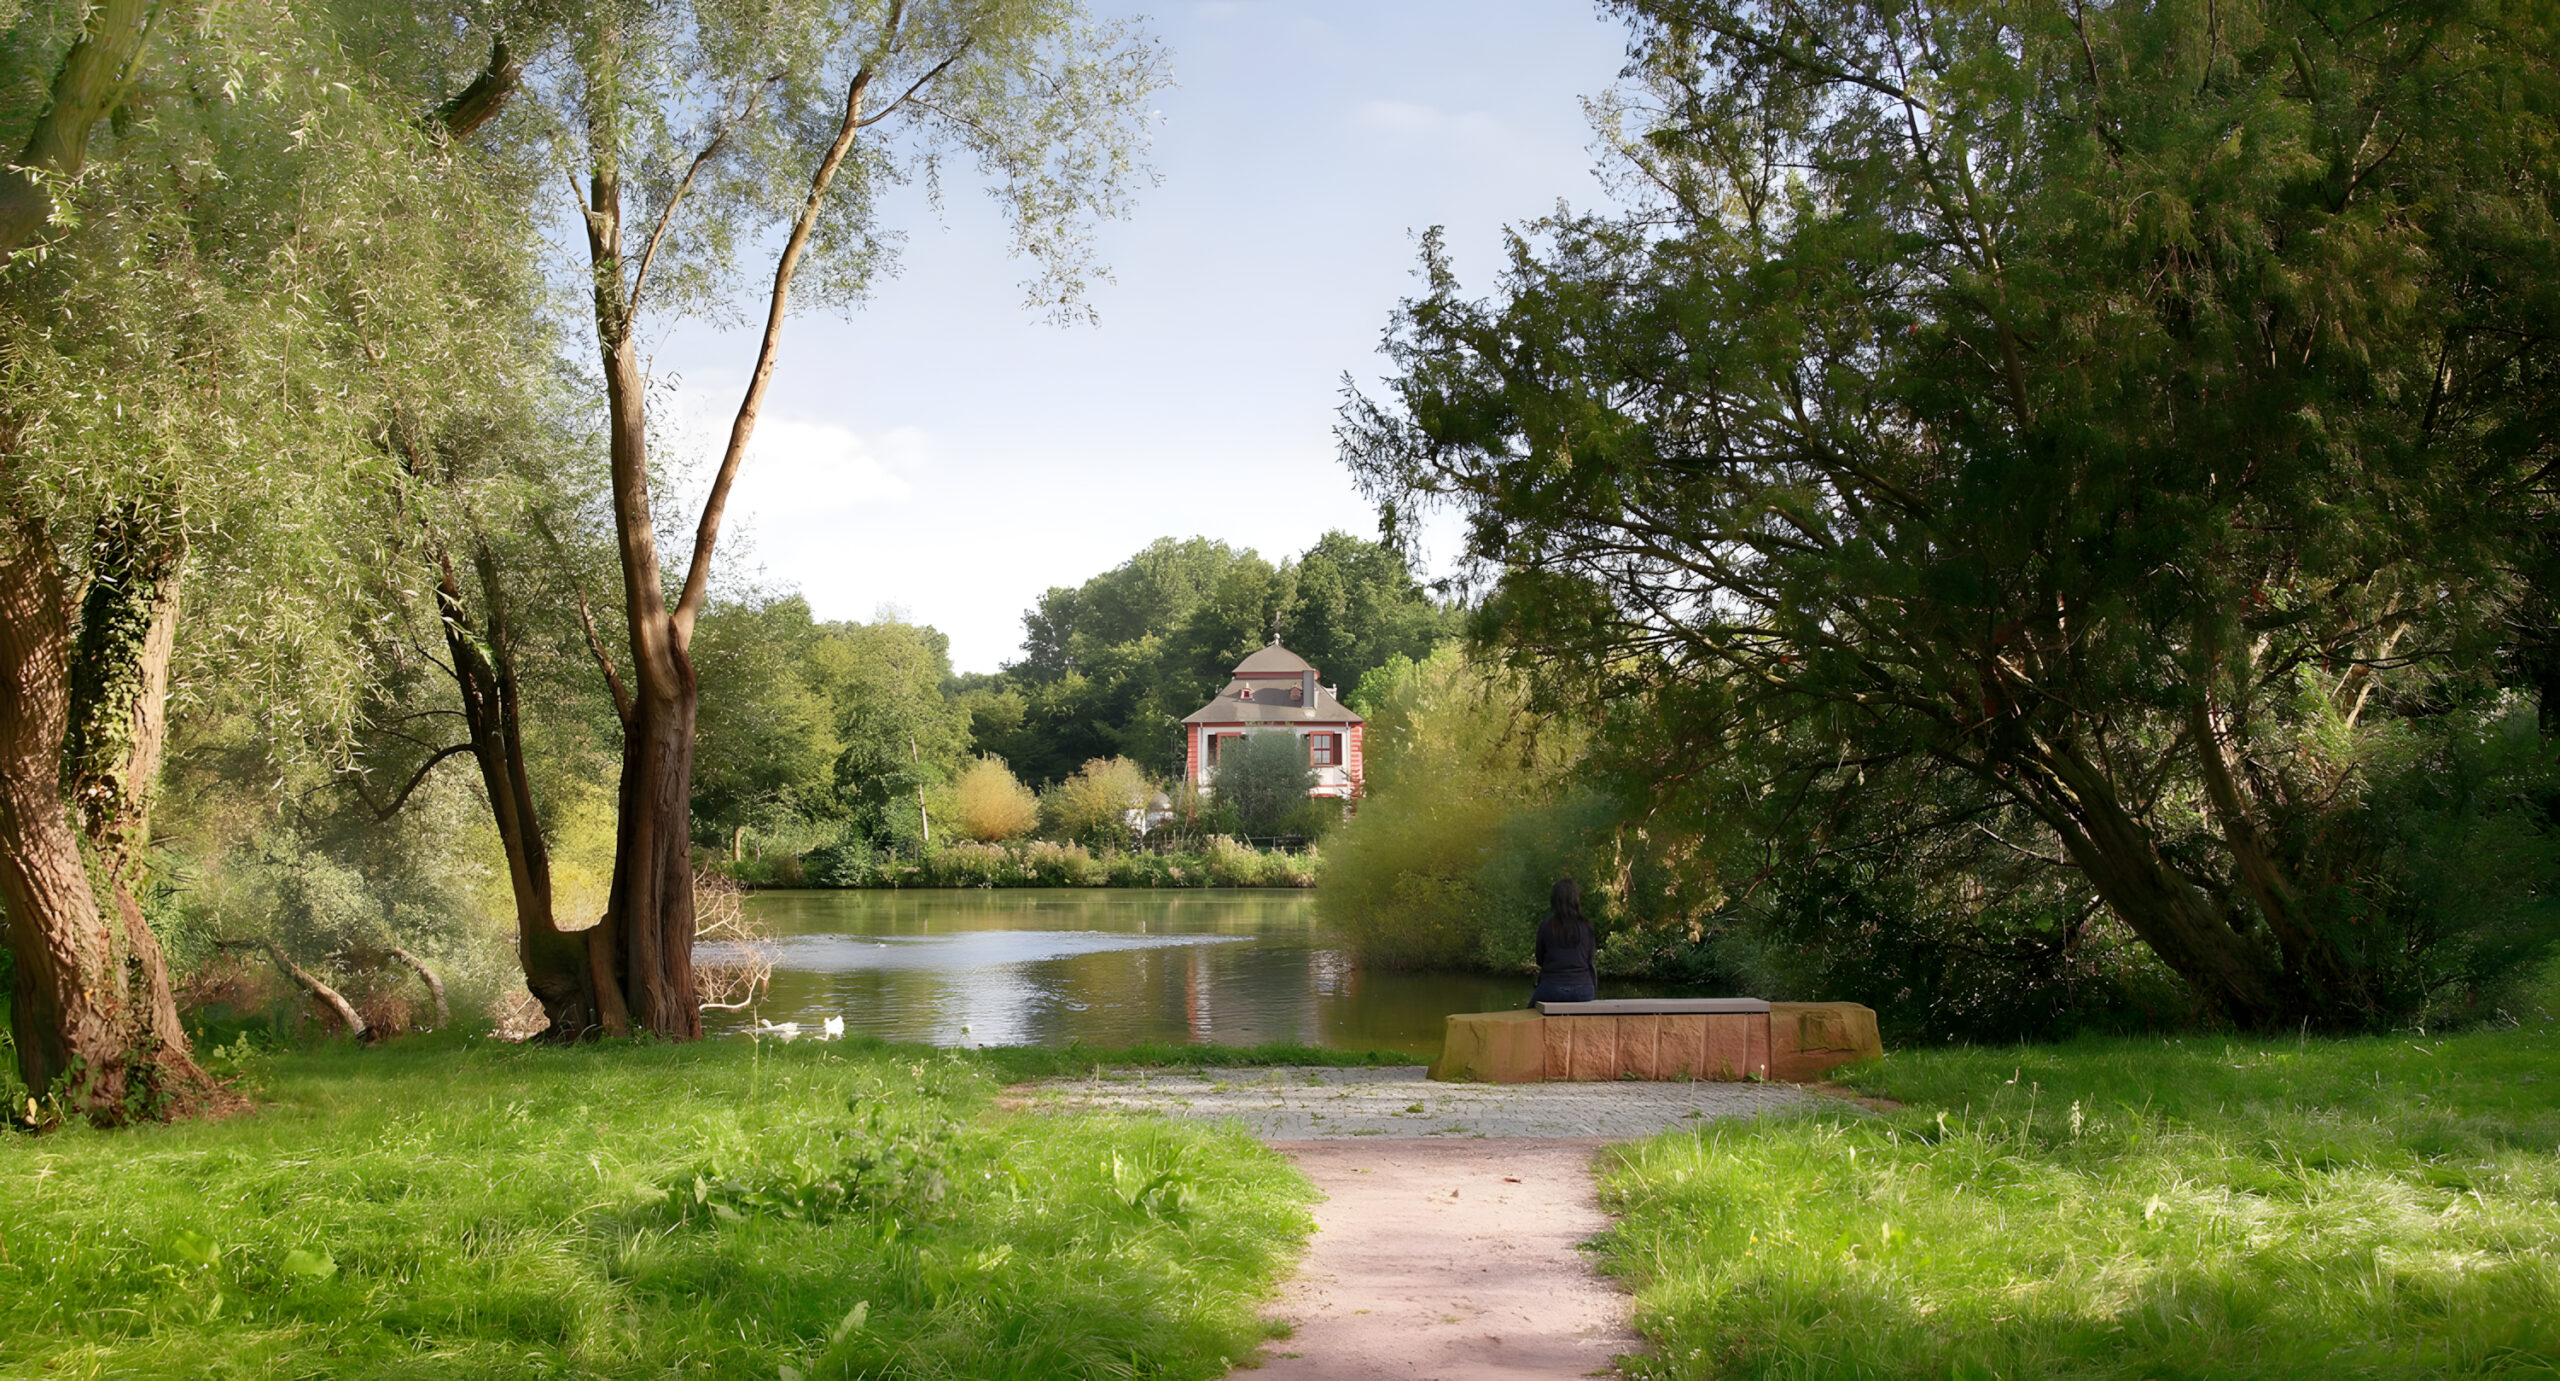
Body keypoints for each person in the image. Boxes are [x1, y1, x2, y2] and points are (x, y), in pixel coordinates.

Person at [1530, 877, 1597, 1006]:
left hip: (1552, 988)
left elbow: (1539, 959)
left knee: (1529, 1012)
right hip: (1584, 989)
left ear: (1554, 900)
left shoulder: (1546, 925)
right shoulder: (1586, 926)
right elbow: (1590, 959)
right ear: (1575, 900)